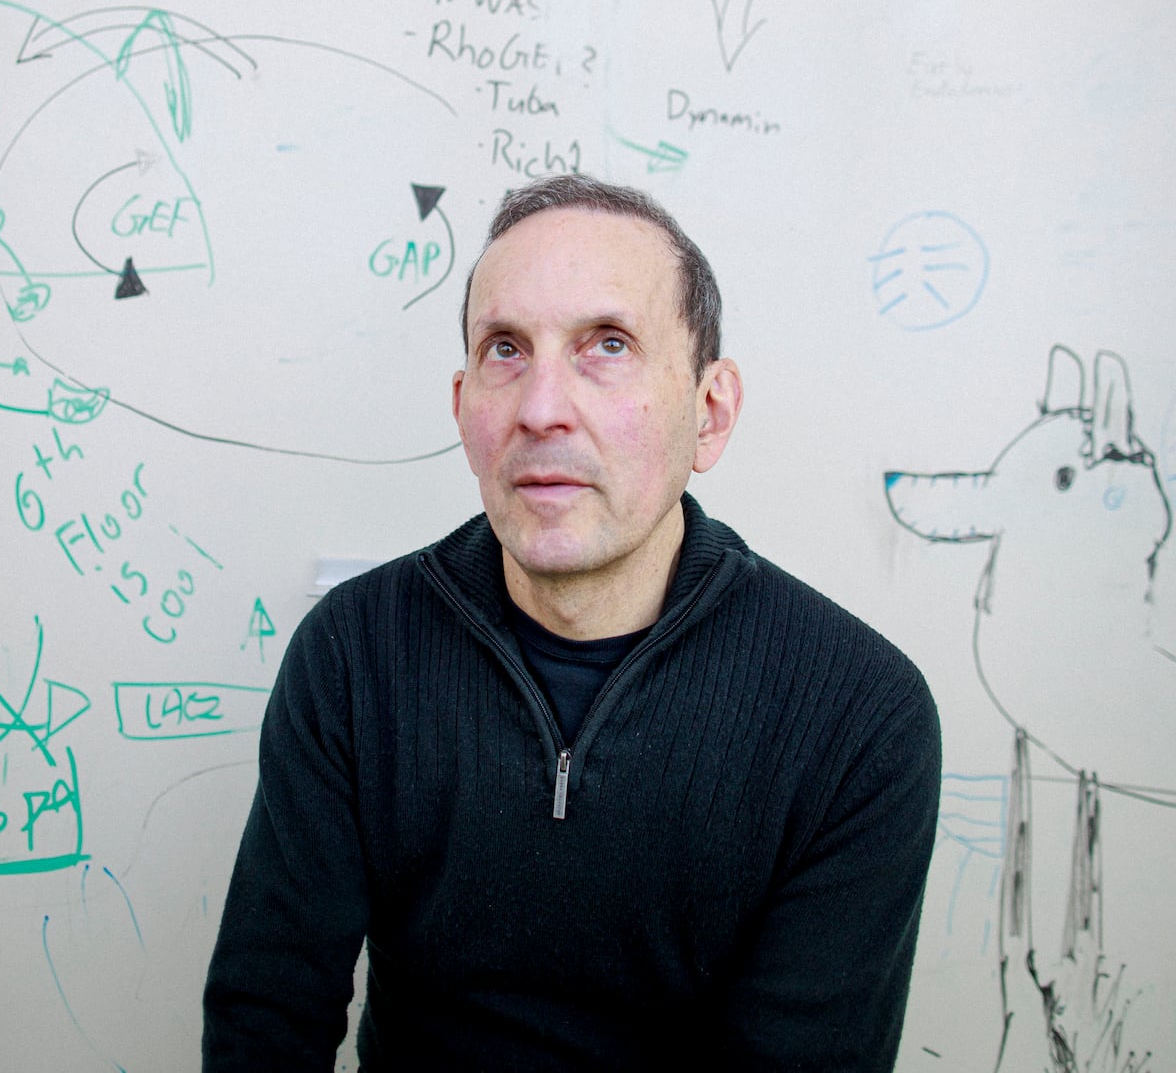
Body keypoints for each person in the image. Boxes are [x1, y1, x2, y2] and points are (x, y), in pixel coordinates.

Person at [202, 173, 941, 1071]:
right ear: (464, 407)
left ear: (709, 413)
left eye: (608, 345)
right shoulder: (355, 656)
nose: (541, 407)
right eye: (505, 350)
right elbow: (266, 1015)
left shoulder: (858, 716)